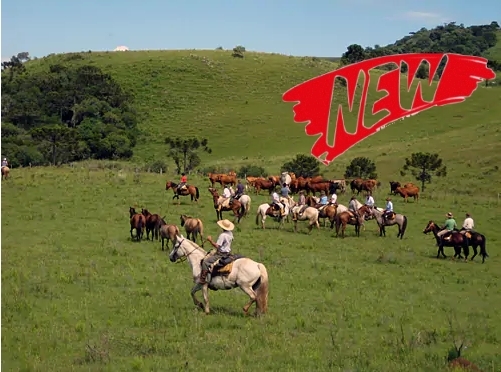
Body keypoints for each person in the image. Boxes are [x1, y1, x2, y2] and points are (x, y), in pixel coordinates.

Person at [199, 219, 234, 284]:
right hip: (228, 253)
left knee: (205, 262)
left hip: (221, 254)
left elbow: (217, 246)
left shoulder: (223, 235)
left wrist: (210, 240)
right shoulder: (230, 233)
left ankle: (203, 278)